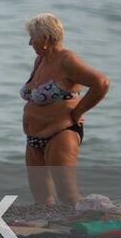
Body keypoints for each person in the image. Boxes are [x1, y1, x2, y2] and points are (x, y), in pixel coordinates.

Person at [20, 13, 109, 206]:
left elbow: (101, 83)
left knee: (68, 196)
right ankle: (50, 230)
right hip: (34, 138)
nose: (29, 43)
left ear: (45, 38)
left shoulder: (67, 60)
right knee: (41, 199)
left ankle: (89, 230)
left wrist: (78, 112)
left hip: (60, 134)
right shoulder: (41, 60)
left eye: (32, 37)